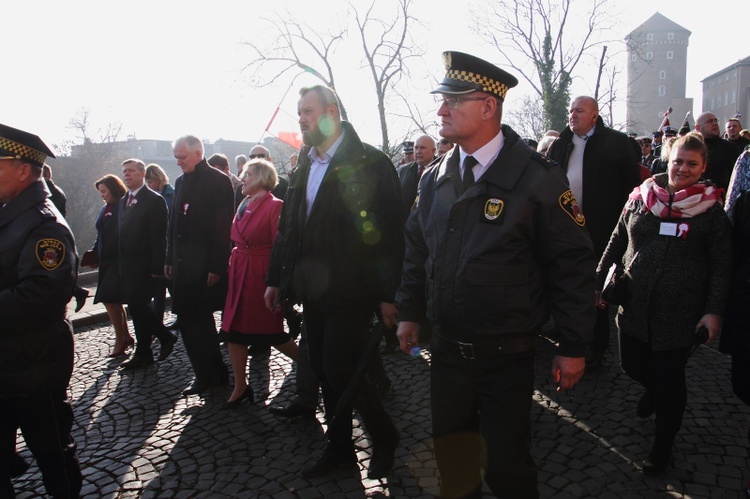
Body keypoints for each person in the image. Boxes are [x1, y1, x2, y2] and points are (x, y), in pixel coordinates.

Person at [395, 51, 596, 498]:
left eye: (454, 100)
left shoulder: (538, 178)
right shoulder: (435, 177)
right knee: (453, 465)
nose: (441, 110)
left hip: (506, 356)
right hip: (446, 351)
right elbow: (416, 249)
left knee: (508, 469)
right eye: (440, 100)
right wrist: (409, 310)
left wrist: (574, 344)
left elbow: (573, 265)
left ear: (489, 107)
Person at [264, 85, 403, 479]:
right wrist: (277, 278)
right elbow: (290, 230)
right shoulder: (304, 164)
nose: (301, 119)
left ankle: (384, 433)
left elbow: (391, 235)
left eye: (307, 111)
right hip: (313, 289)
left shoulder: (371, 162)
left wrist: (389, 294)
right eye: (299, 113)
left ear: (331, 112)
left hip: (353, 288)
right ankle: (340, 447)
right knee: (324, 370)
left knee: (339, 368)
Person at [596, 132, 731, 475]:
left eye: (692, 164)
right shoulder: (641, 198)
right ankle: (654, 390)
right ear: (667, 161)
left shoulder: (711, 211)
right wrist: (596, 283)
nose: (683, 169)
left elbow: (721, 267)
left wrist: (713, 311)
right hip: (635, 303)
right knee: (632, 366)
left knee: (671, 379)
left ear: (703, 167)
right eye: (678, 162)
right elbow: (616, 239)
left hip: (680, 312)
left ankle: (662, 446)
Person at [0, 123, 83, 498]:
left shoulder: (45, 224)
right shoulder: (12, 212)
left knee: (52, 455)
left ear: (22, 169)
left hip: (33, 365)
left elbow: (39, 296)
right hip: (9, 360)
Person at [547, 95, 641, 370]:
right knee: (566, 283)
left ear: (594, 115)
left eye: (579, 110)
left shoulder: (616, 142)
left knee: (597, 287)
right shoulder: (560, 145)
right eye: (571, 110)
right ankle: (568, 336)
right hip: (564, 227)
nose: (573, 115)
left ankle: (597, 345)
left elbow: (632, 189)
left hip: (603, 228)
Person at [220, 159, 297, 409]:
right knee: (233, 332)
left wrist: (275, 282)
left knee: (271, 331)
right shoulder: (244, 202)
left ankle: (310, 367)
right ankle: (240, 386)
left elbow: (282, 247)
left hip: (260, 274)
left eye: (249, 174)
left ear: (263, 178)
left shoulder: (276, 206)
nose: (243, 178)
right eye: (244, 174)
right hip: (239, 270)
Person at [166, 135, 232, 396]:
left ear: (197, 153)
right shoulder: (181, 180)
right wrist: (169, 258)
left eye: (182, 157)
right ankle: (204, 372)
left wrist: (217, 265)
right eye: (176, 157)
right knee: (188, 322)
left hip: (205, 266)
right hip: (182, 265)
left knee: (201, 323)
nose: (178, 162)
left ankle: (213, 373)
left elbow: (223, 228)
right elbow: (174, 224)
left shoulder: (218, 180)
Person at [118, 159, 177, 370]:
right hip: (128, 265)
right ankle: (143, 352)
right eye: (124, 171)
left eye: (131, 171)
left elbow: (159, 236)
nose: (127, 174)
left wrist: (157, 267)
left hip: (146, 265)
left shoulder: (154, 200)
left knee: (137, 306)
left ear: (142, 174)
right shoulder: (124, 199)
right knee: (137, 307)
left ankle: (165, 336)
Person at [82, 174, 135, 357]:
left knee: (109, 298)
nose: (102, 195)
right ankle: (124, 336)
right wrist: (94, 253)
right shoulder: (105, 208)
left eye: (104, 191)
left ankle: (121, 339)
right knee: (112, 299)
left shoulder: (124, 207)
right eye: (100, 192)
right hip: (106, 260)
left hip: (117, 260)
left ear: (113, 189)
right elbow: (101, 234)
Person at [145, 163, 174, 322]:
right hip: (159, 248)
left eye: (151, 182)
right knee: (159, 290)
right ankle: (157, 322)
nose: (149, 185)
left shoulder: (170, 194)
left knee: (169, 285)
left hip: (168, 247)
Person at [695, 112, 740, 190]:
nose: (715, 124)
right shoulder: (692, 147)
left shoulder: (729, 147)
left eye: (715, 121)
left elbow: (737, 176)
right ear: (698, 128)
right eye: (709, 121)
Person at [397, 134, 436, 218]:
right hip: (405, 224)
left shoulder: (442, 171)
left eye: (422, 148)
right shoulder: (403, 170)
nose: (418, 151)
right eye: (416, 148)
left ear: (433, 150)